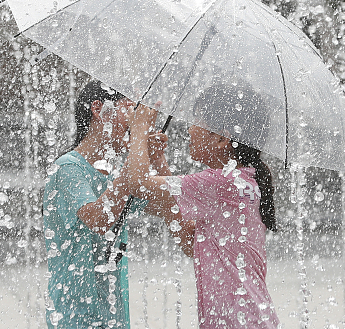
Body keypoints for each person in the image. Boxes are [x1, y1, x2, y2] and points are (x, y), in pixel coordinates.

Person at [119, 84, 280, 329]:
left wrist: (139, 129)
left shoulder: (221, 182)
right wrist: (160, 161)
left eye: (197, 121)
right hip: (250, 318)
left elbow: (138, 184)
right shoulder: (244, 181)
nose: (190, 129)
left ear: (220, 138)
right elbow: (189, 242)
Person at [43, 79, 172, 329]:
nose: (135, 120)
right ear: (99, 109)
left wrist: (157, 159)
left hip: (113, 317)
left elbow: (169, 206)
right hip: (74, 317)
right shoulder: (68, 168)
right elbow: (99, 219)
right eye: (130, 109)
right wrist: (139, 137)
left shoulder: (111, 176)